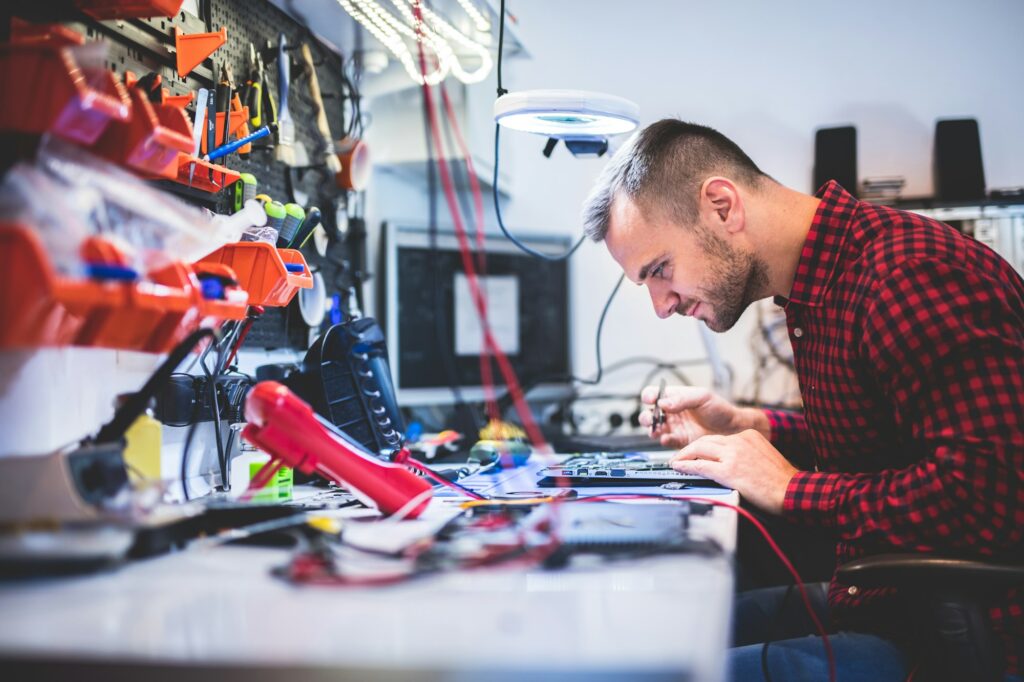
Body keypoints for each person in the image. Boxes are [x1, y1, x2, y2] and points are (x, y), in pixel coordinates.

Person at [580, 119, 1024, 681]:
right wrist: (750, 425)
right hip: (893, 597)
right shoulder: (822, 286)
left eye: (660, 271)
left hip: (963, 636)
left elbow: (993, 493)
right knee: (667, 630)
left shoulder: (906, 276)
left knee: (658, 672)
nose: (661, 306)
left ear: (722, 206)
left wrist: (791, 490)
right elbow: (893, 440)